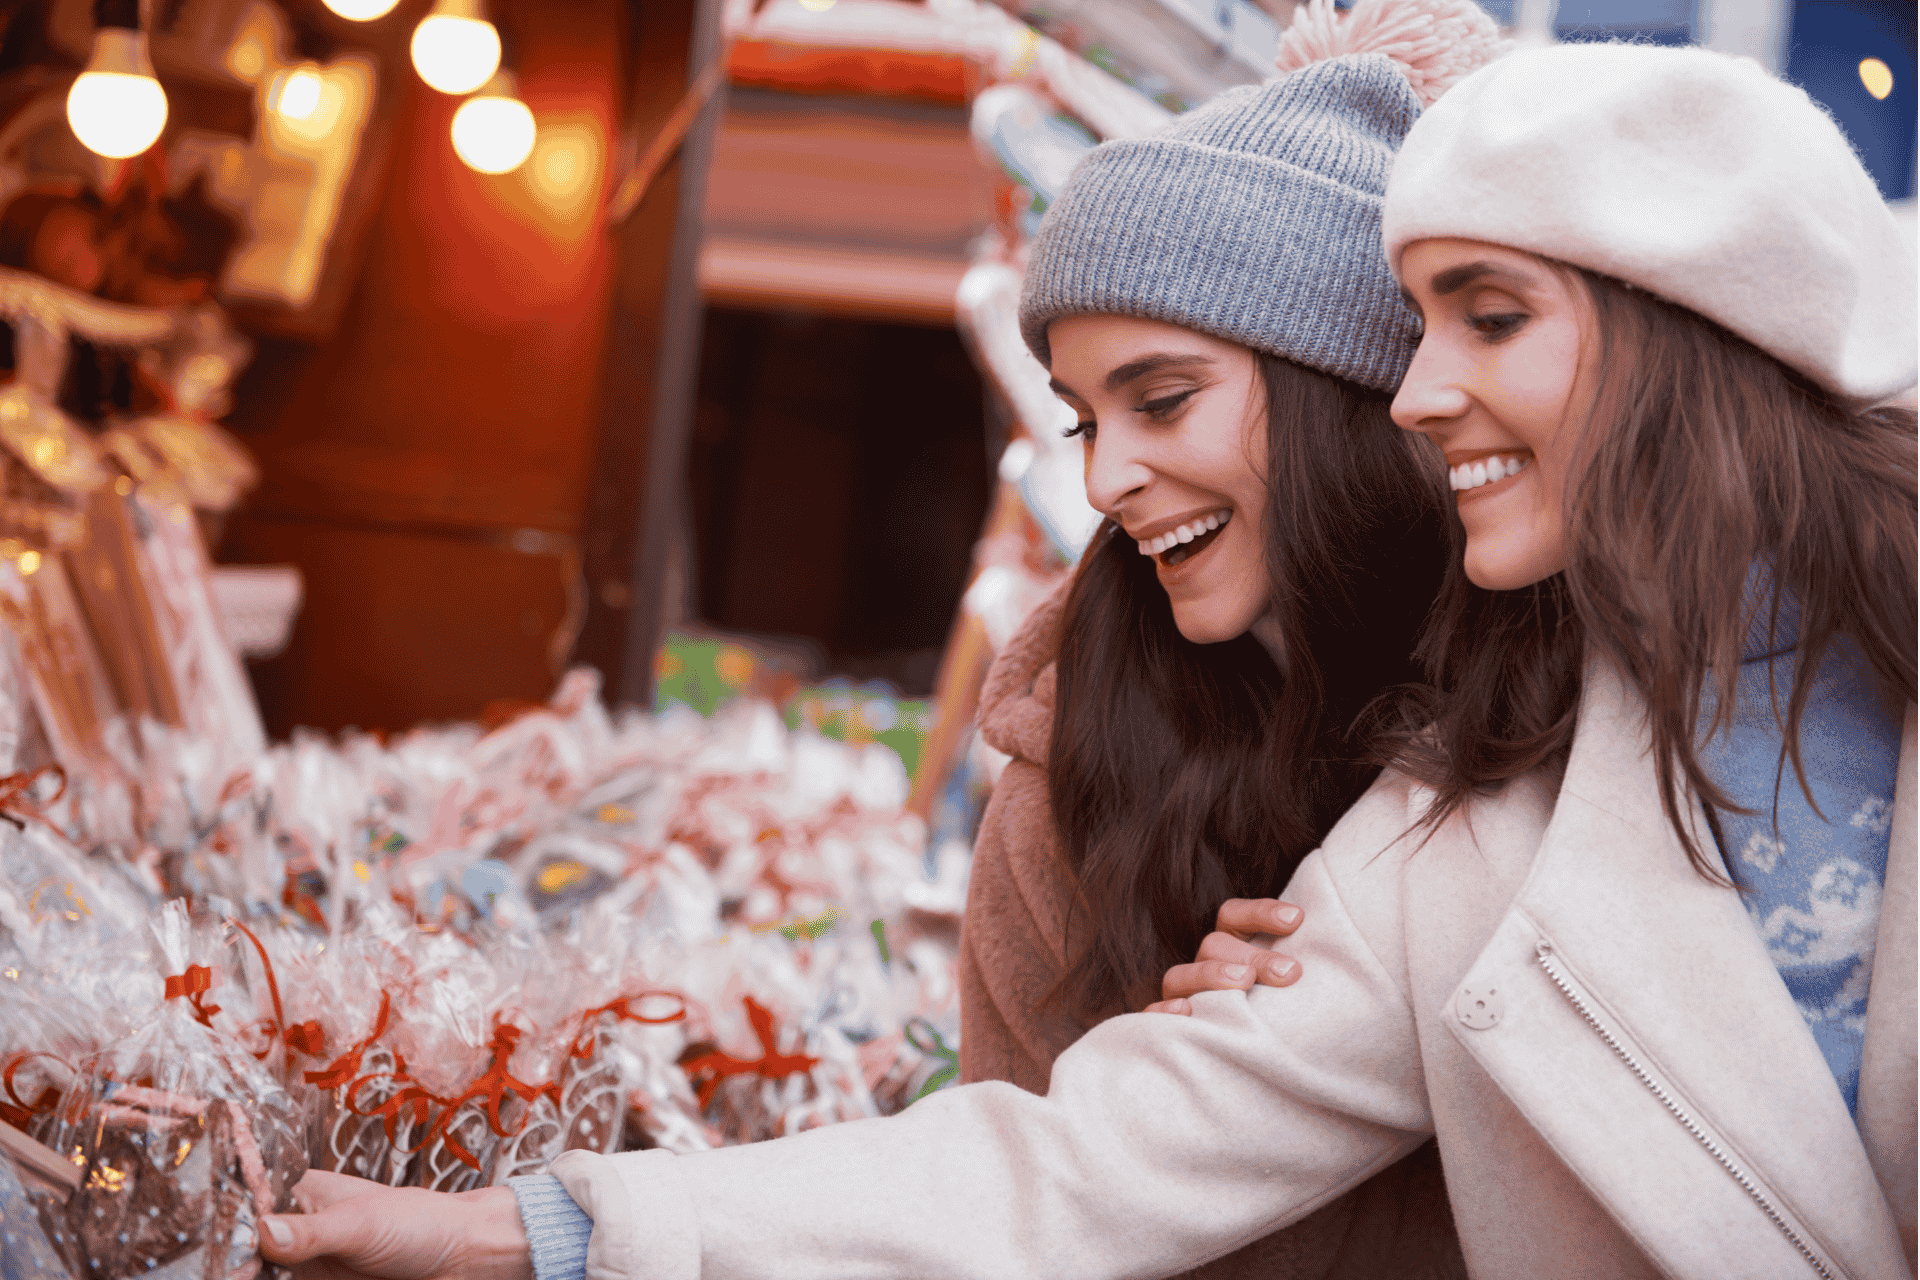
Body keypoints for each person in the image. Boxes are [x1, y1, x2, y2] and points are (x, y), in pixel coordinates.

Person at [258, 36, 1915, 1280]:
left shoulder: (1540, 726)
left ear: (1696, 320)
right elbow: (1066, 1166)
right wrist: (554, 1225)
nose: (1422, 391)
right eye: (1081, 416)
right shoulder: (1456, 818)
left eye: (1486, 318)